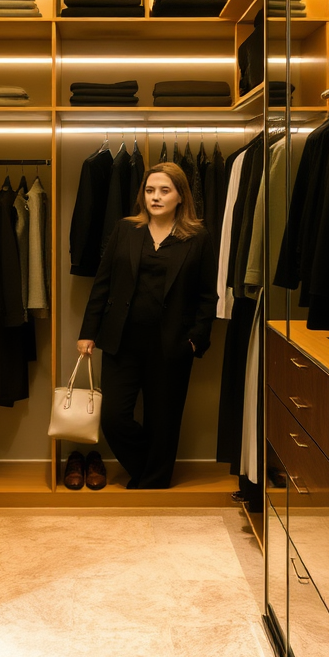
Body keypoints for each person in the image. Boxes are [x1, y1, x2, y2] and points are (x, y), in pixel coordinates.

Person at [76, 163, 218, 489]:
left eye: (164, 190)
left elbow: (207, 295)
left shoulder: (197, 238)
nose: (155, 197)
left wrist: (196, 339)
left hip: (172, 343)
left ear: (180, 196)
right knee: (114, 418)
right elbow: (103, 284)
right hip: (122, 340)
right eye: (150, 190)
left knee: (164, 420)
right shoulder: (126, 229)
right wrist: (88, 332)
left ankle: (154, 483)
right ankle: (147, 469)